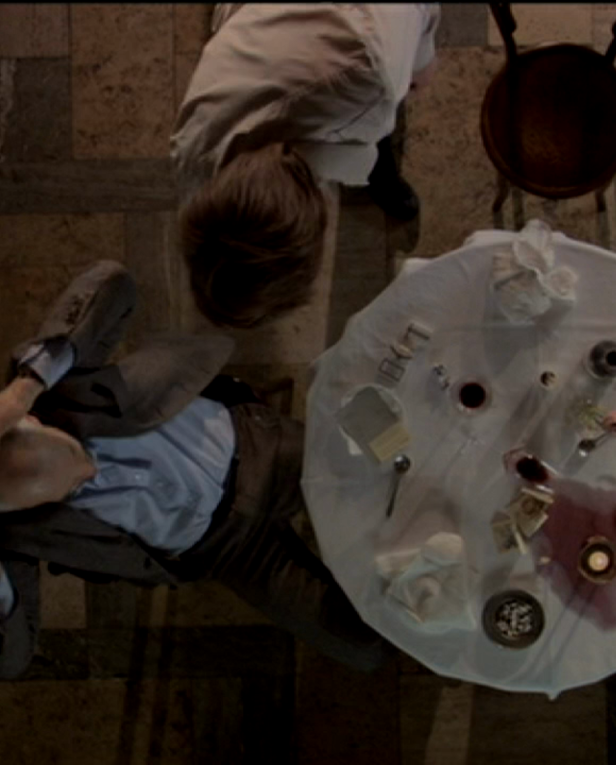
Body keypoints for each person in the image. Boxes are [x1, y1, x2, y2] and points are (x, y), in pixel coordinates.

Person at [0, 260, 389, 679]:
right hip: (226, 549)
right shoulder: (15, 535)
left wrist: (25, 388)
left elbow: (115, 283)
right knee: (366, 647)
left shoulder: (48, 386)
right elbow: (12, 660)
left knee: (393, 466)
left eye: (73, 453)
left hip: (256, 454)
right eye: (69, 489)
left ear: (32, 420)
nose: (88, 472)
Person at [171, 3, 440, 329]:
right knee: (373, 131)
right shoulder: (191, 155)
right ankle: (380, 170)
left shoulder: (368, 67)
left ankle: (381, 173)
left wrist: (421, 56)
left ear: (316, 222)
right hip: (259, 26)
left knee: (379, 118)